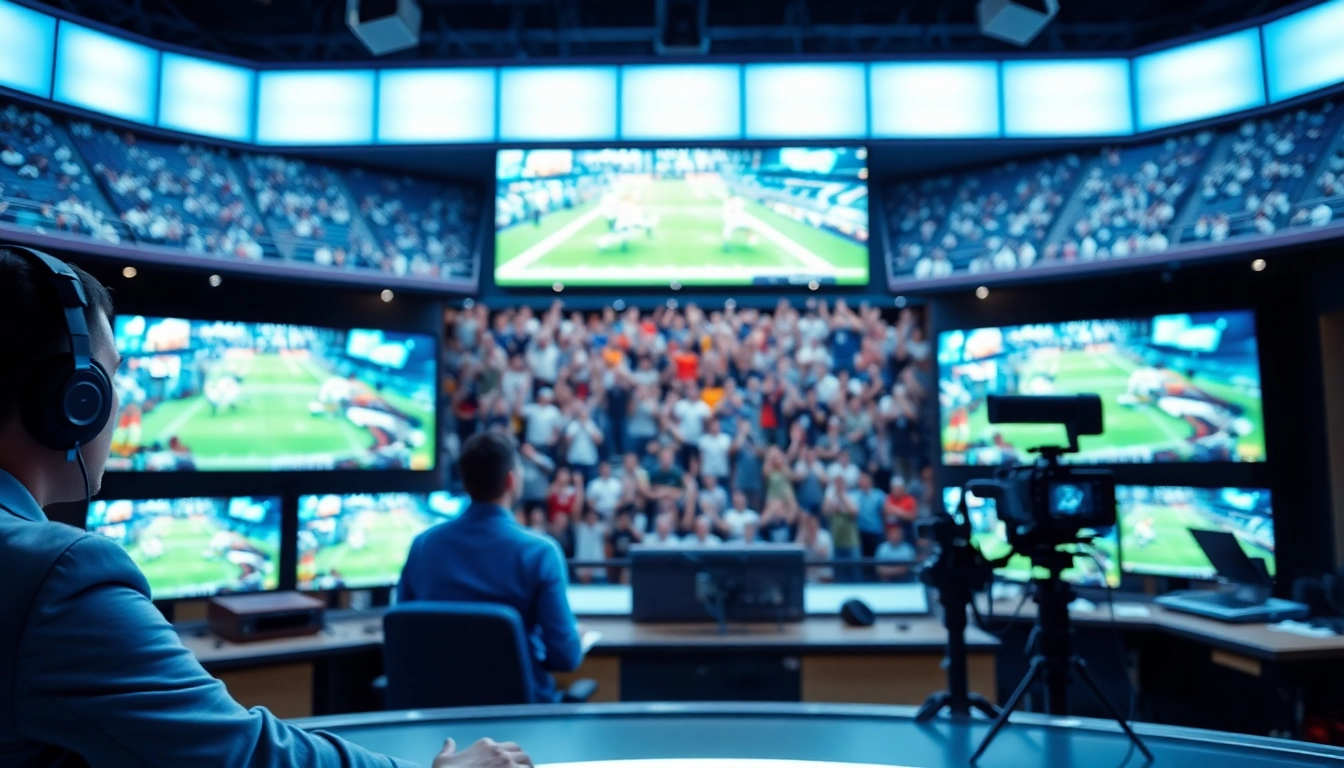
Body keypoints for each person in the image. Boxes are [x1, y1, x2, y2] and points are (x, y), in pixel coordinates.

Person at [0, 248, 531, 768]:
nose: (119, 397)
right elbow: (243, 754)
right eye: (111, 375)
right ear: (76, 397)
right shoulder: (59, 579)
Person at [400, 431, 583, 703]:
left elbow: (405, 637)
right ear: (512, 480)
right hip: (520, 724)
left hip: (441, 723)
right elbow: (565, 658)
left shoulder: (423, 546)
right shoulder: (541, 553)